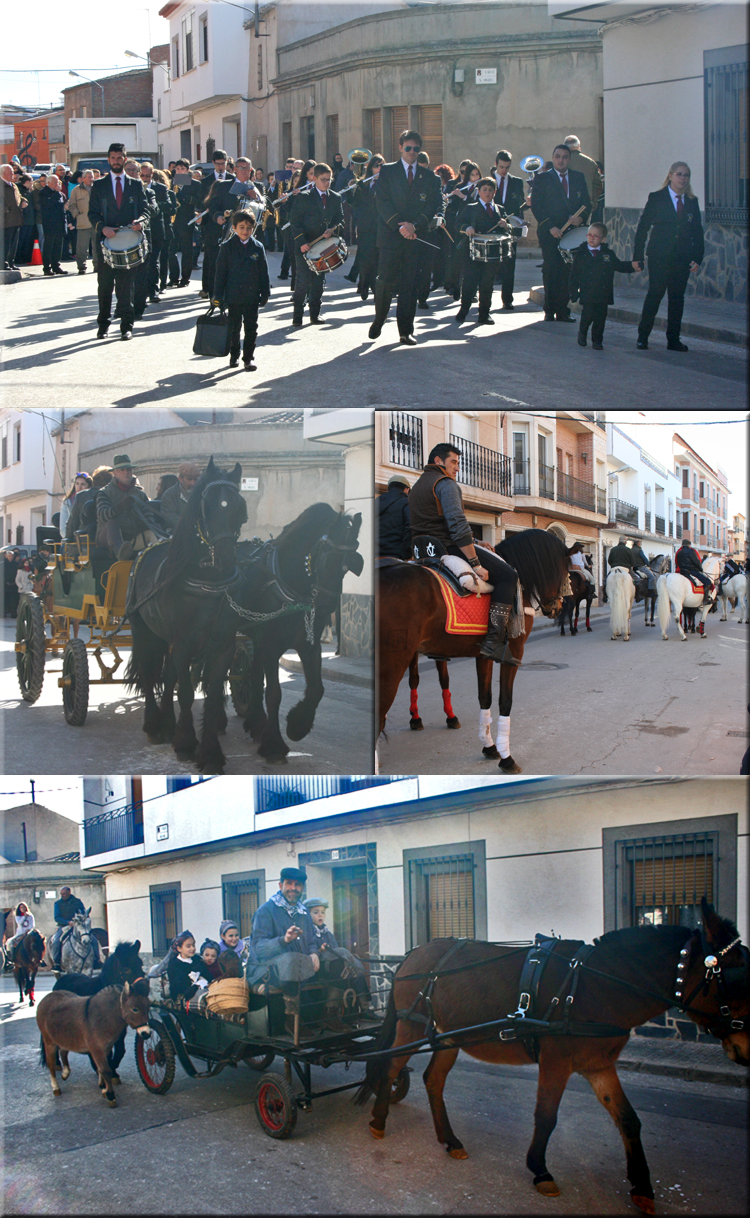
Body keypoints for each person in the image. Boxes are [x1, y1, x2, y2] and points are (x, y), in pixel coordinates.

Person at [409, 443, 520, 660]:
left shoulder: (416, 488)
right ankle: (494, 642)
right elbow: (457, 524)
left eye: (458, 463)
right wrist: (475, 563)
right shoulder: (445, 483)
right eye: (454, 462)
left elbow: (428, 523)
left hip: (421, 551)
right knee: (509, 575)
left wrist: (477, 540)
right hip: (446, 548)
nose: (457, 468)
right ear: (438, 461)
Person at [369, 129, 443, 345]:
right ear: (400, 148)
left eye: (416, 149)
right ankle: (379, 320)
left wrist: (414, 225)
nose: (412, 152)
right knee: (384, 282)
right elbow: (381, 201)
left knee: (409, 285)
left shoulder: (429, 177)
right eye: (408, 148)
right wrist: (399, 225)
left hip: (414, 238)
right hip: (391, 236)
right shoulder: (388, 171)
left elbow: (432, 204)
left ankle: (405, 330)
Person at [633, 161, 704, 352]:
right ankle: (643, 337)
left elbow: (697, 232)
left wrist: (697, 257)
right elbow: (643, 227)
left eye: (686, 175)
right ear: (670, 175)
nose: (683, 178)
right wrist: (637, 255)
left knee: (676, 298)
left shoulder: (691, 201)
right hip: (659, 256)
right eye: (679, 174)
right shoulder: (657, 198)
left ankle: (673, 339)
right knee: (655, 294)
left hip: (682, 258)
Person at [88, 143, 150, 340]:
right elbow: (92, 213)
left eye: (119, 157)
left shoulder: (135, 184)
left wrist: (141, 222)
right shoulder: (99, 185)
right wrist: (102, 227)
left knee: (126, 287)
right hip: (106, 243)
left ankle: (126, 326)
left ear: (125, 159)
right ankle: (103, 325)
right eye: (113, 158)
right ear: (108, 160)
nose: (116, 161)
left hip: (128, 244)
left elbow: (145, 210)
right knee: (105, 286)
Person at [247, 866, 320, 1034]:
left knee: (340, 954)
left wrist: (314, 953)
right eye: (289, 883)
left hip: (297, 968)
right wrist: (284, 940)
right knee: (291, 959)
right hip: (265, 970)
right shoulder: (265, 911)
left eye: (298, 885)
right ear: (281, 885)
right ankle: (291, 1018)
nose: (293, 888)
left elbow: (312, 941)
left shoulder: (303, 913)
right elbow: (258, 949)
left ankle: (333, 1013)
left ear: (302, 888)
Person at [530, 144, 590, 322]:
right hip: (550, 232)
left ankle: (563, 311)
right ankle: (549, 309)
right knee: (550, 270)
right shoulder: (542, 179)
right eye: (558, 156)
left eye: (565, 157)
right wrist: (550, 227)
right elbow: (537, 205)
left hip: (571, 232)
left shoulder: (578, 177)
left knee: (567, 272)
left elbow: (587, 203)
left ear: (569, 159)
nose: (561, 160)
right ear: (553, 158)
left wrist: (581, 219)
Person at [213, 208, 270, 369]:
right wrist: (217, 294)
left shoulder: (257, 247)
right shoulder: (227, 247)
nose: (245, 231)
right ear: (234, 228)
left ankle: (248, 358)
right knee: (234, 327)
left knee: (251, 328)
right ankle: (234, 355)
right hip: (233, 295)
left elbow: (263, 273)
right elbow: (220, 273)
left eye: (249, 228)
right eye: (242, 227)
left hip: (252, 295)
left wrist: (265, 293)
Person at [568, 221, 637, 349]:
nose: (592, 238)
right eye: (589, 235)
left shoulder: (608, 254)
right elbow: (574, 275)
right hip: (587, 292)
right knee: (587, 315)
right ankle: (582, 333)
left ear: (603, 239)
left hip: (603, 293)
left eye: (595, 236)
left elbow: (619, 265)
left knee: (600, 318)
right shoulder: (581, 254)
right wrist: (573, 292)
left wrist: (632, 266)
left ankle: (597, 340)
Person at [290, 163, 344, 327]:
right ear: (314, 178)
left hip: (323, 246)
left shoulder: (336, 197)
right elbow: (294, 223)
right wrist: (301, 242)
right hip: (305, 246)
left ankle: (315, 314)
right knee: (303, 282)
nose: (327, 183)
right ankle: (297, 315)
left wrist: (333, 229)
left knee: (319, 282)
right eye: (323, 179)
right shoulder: (304, 197)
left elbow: (340, 219)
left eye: (329, 180)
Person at [302, 898, 373, 1013]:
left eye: (323, 912)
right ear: (308, 915)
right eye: (316, 912)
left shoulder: (327, 933)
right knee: (344, 952)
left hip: (335, 968)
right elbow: (306, 953)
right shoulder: (307, 933)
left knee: (354, 964)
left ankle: (365, 1008)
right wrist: (319, 951)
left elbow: (335, 952)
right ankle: (359, 1007)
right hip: (317, 970)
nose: (320, 915)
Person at [456, 176, 510, 325]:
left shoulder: (500, 209)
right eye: (484, 190)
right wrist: (467, 228)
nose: (487, 193)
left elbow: (507, 231)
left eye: (490, 190)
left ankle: (484, 314)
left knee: (487, 283)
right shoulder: (471, 208)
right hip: (472, 251)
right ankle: (464, 310)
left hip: (492, 254)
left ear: (495, 192)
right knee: (470, 282)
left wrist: (506, 225)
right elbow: (458, 223)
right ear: (479, 191)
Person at [95, 453, 164, 561]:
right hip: (109, 539)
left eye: (129, 470)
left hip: (132, 539)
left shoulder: (140, 494)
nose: (126, 472)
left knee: (152, 532)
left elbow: (148, 515)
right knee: (112, 523)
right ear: (115, 473)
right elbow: (103, 515)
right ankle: (120, 553)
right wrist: (120, 507)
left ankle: (162, 560)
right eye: (122, 469)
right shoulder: (104, 493)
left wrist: (146, 523)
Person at [197, 148, 236, 300]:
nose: (221, 166)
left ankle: (223, 287)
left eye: (223, 163)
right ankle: (207, 288)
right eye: (218, 164)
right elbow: (201, 201)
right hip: (210, 223)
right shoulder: (205, 181)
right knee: (210, 256)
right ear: (213, 163)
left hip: (227, 222)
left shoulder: (232, 179)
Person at [492, 150, 527, 309]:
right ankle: (484, 302)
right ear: (496, 164)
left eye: (507, 167)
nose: (504, 170)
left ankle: (507, 300)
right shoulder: (488, 181)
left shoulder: (517, 182)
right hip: (491, 228)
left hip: (509, 229)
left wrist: (520, 222)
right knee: (489, 266)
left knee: (509, 265)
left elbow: (519, 207)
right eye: (501, 167)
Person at [349, 153, 384, 301]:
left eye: (382, 165)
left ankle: (375, 288)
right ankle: (363, 284)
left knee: (377, 259)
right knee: (365, 259)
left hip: (381, 226)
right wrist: (352, 189)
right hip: (365, 227)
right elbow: (354, 204)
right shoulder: (363, 184)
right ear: (371, 168)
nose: (379, 168)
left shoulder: (387, 183)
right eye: (376, 166)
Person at [168, 157, 201, 288]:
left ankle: (185, 278)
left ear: (187, 170)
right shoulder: (171, 183)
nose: (180, 171)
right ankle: (173, 277)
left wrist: (184, 198)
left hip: (186, 221)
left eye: (182, 169)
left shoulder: (195, 184)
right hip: (172, 221)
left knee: (186, 251)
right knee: (171, 251)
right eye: (178, 169)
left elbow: (198, 201)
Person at [48, 886, 92, 968]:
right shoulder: (58, 903)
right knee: (56, 941)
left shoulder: (77, 902)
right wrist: (68, 922)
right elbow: (57, 918)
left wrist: (81, 919)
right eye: (61, 894)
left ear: (69, 892)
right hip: (64, 926)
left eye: (64, 894)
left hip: (79, 926)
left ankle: (96, 959)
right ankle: (57, 963)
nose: (62, 895)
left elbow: (83, 912)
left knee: (92, 938)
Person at [65, 465, 113, 541]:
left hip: (83, 544)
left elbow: (73, 522)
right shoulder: (113, 495)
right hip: (108, 540)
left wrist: (67, 539)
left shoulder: (81, 496)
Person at [149, 168, 177, 293]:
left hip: (165, 228)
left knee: (164, 258)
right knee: (152, 259)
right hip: (151, 228)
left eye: (159, 180)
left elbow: (172, 209)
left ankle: (163, 283)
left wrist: (156, 205)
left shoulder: (169, 193)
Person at [562, 136, 603, 217]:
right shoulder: (591, 162)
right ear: (579, 146)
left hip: (563, 207)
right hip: (585, 208)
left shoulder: (560, 163)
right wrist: (593, 203)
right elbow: (598, 185)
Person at [65, 170, 97, 273]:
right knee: (81, 247)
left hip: (97, 222)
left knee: (97, 247)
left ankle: (97, 266)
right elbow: (72, 205)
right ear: (83, 178)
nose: (91, 179)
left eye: (92, 177)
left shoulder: (97, 188)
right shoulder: (76, 190)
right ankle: (81, 267)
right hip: (83, 222)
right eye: (88, 177)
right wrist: (77, 214)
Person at [166, 931, 213, 1001]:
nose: (192, 948)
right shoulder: (174, 963)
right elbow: (178, 985)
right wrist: (195, 981)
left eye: (193, 945)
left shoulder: (197, 959)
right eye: (188, 946)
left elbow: (208, 976)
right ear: (179, 948)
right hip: (183, 997)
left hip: (203, 990)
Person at [37, 174, 68, 276]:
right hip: (50, 223)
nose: (57, 184)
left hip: (59, 223)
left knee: (58, 246)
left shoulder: (59, 194)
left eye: (58, 182)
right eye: (55, 182)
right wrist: (57, 193)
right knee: (48, 246)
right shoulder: (44, 193)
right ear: (49, 183)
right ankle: (47, 267)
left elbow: (63, 205)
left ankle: (56, 266)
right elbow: (47, 204)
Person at [159, 462, 201, 534]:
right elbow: (169, 517)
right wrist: (191, 524)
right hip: (177, 533)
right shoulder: (169, 495)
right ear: (180, 479)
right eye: (189, 479)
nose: (193, 483)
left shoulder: (203, 493)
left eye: (195, 479)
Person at [377, 474, 411, 559]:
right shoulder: (406, 502)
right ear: (407, 490)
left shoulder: (376, 502)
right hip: (396, 554)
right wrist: (406, 553)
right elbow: (410, 527)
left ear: (388, 489)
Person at [1, 163, 26, 270]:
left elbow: (19, 197)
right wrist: (5, 210)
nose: (13, 174)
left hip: (16, 219)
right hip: (5, 220)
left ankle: (11, 262)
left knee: (13, 243)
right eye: (10, 172)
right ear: (3, 173)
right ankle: (3, 263)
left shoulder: (13, 185)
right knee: (5, 244)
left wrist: (24, 201)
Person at [675, 538, 713, 604]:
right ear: (689, 545)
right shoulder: (691, 551)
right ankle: (706, 599)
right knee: (708, 581)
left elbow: (677, 563)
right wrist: (701, 569)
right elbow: (696, 561)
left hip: (682, 571)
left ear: (682, 545)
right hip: (692, 571)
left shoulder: (679, 552)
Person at [59, 472, 93, 538]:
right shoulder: (67, 501)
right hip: (70, 539)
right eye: (77, 483)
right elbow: (62, 528)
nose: (79, 487)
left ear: (88, 486)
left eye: (83, 484)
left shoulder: (92, 500)